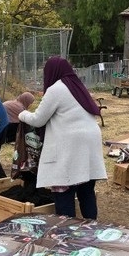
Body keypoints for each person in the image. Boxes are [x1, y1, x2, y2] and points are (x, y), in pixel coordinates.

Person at [17, 56, 106, 219]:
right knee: (86, 189)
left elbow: (38, 119)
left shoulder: (56, 89)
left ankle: (66, 232)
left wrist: (22, 114)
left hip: (71, 144)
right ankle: (92, 228)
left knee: (64, 188)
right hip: (89, 140)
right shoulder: (78, 86)